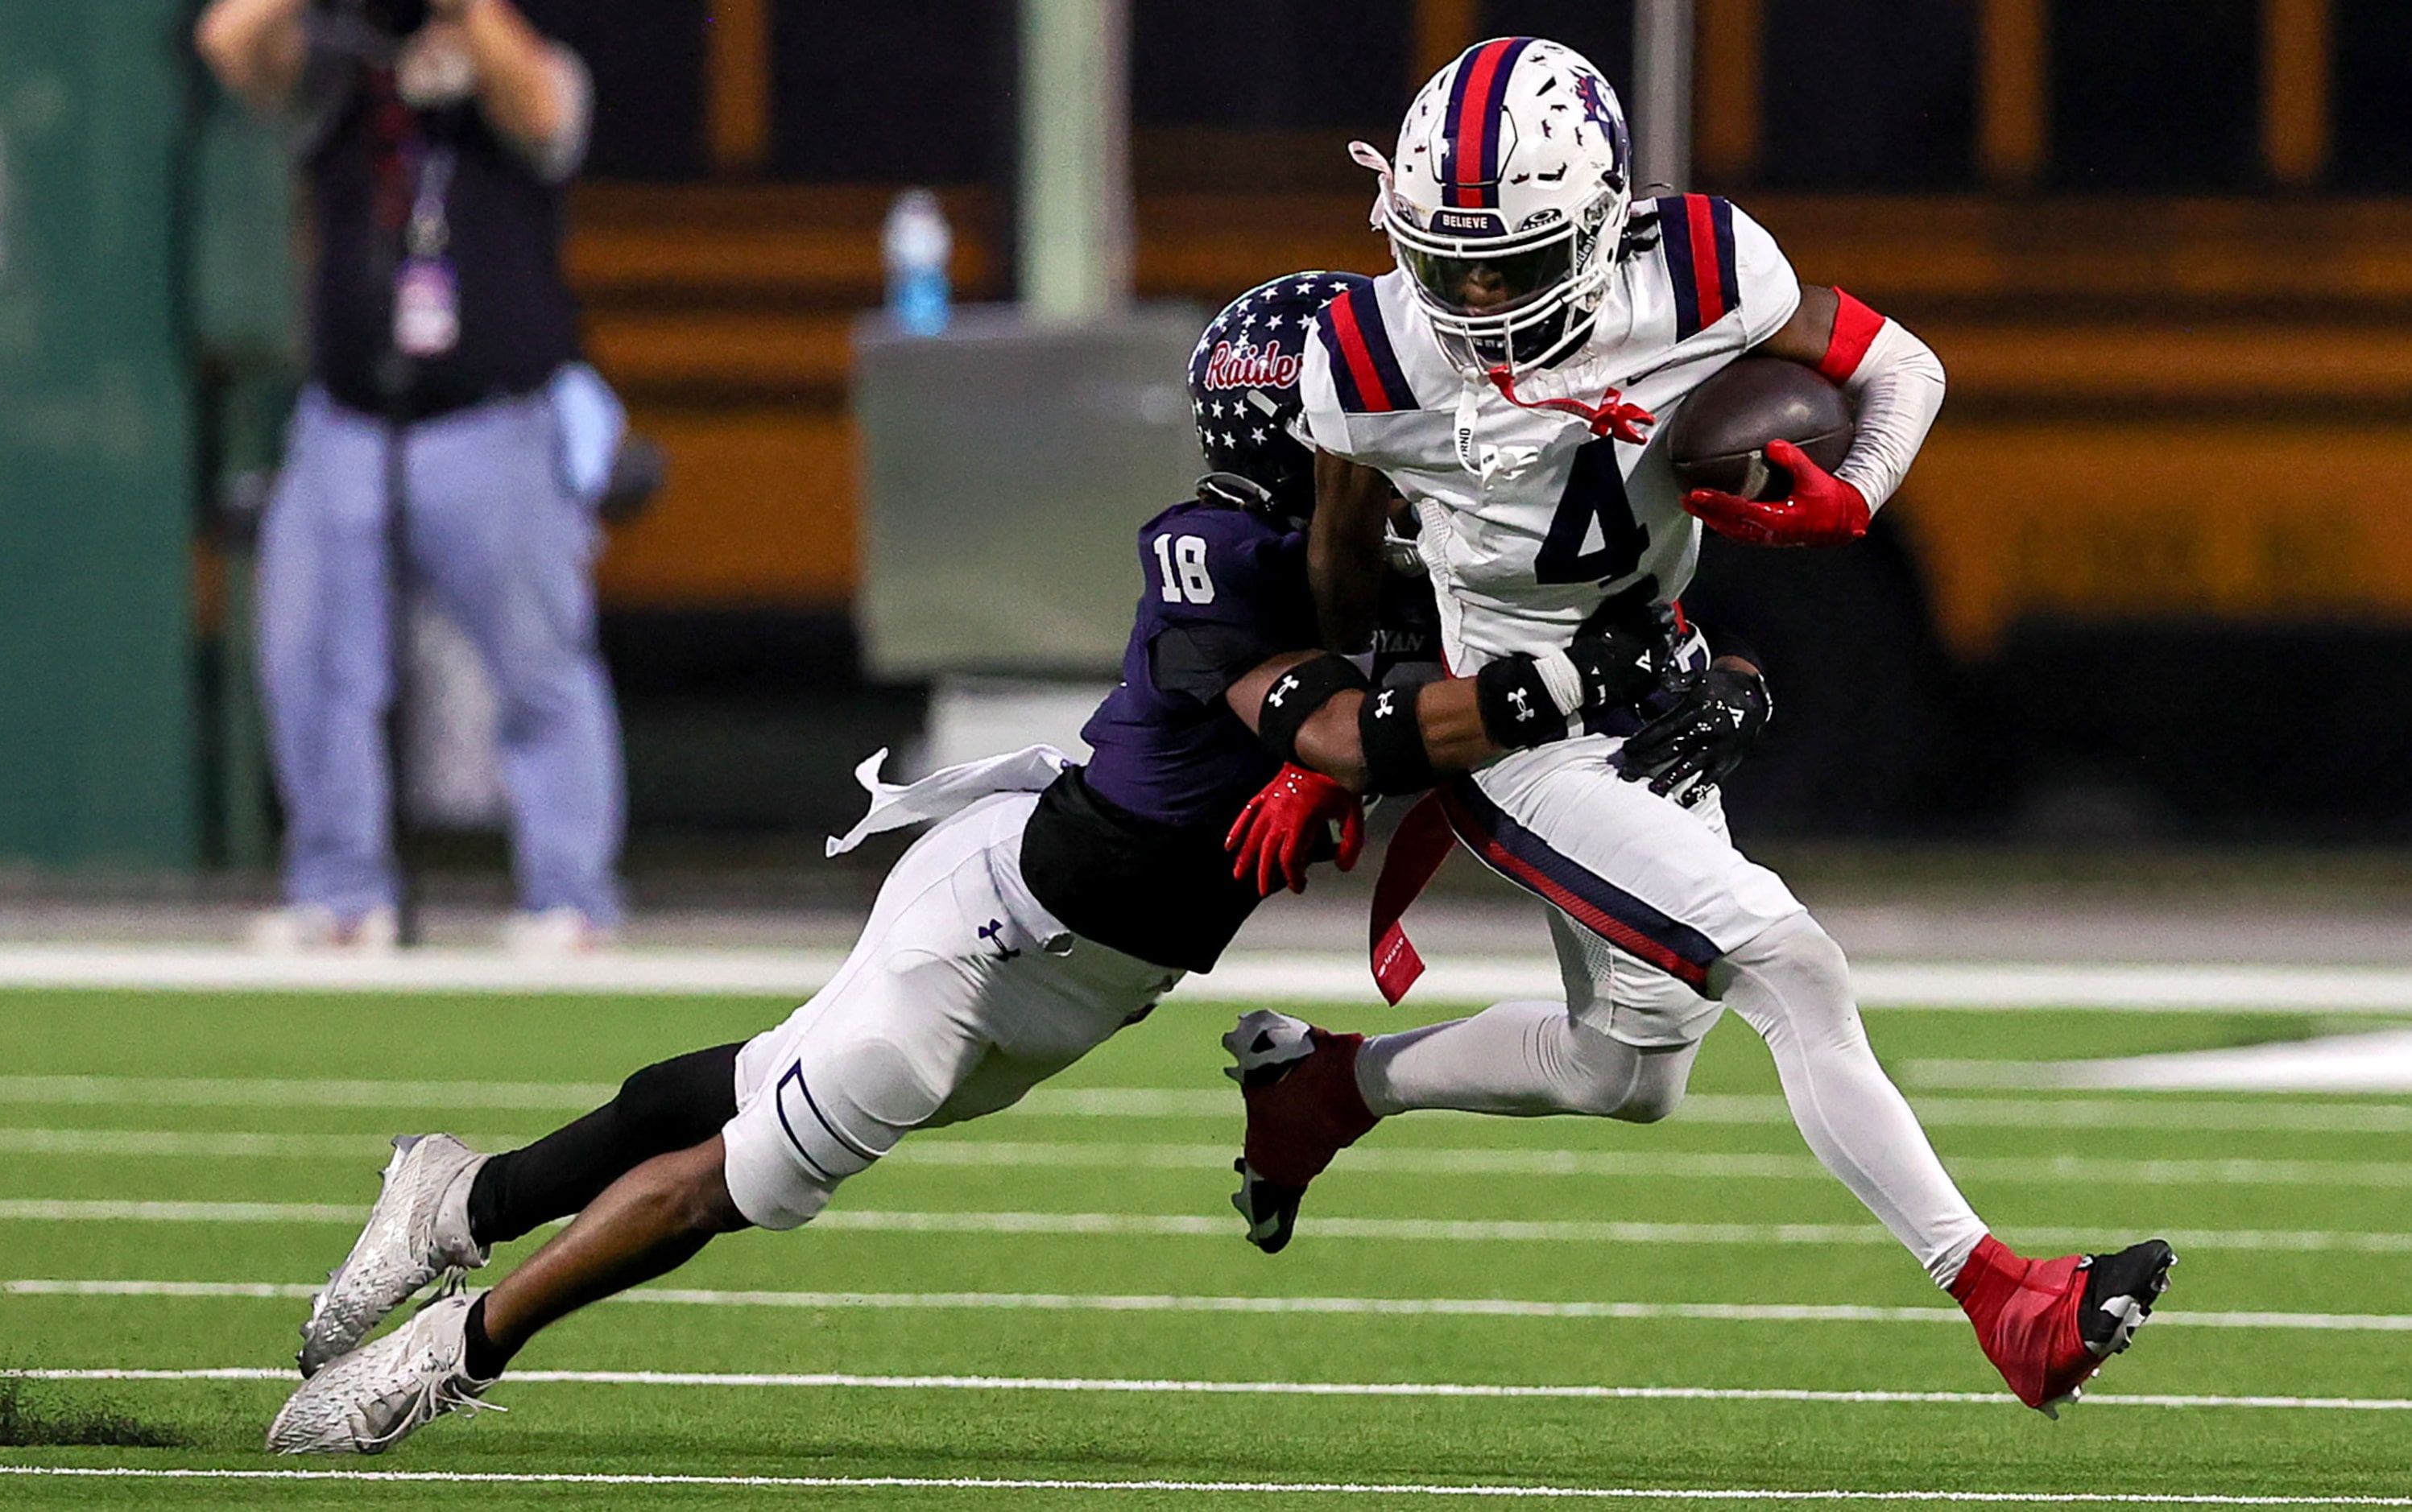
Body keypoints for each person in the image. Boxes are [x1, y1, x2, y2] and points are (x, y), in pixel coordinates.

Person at [260, 272, 1694, 1455]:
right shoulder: (1213, 550)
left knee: (770, 1074)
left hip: (1089, 988)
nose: (1416, 432)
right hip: (995, 926)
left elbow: (1429, 677)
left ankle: (456, 1193)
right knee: (747, 1170)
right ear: (1300, 434)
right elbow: (1339, 723)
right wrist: (1520, 699)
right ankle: (452, 1351)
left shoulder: (1405, 561)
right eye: (1374, 416)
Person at [1227, 37, 2172, 1419]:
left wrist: (1851, 494)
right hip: (1514, 734)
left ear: (1604, 229)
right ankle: (2005, 1298)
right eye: (1450, 264)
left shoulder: (1704, 271)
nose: (1480, 303)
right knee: (1790, 960)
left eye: (1515, 265)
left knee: (1630, 1068)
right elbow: (1341, 554)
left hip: (1658, 692)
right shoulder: (1369, 355)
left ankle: (1323, 1090)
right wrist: (1350, 739)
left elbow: (1900, 363)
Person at [196, 0, 626, 954]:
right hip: (345, 420)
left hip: (494, 421)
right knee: (311, 663)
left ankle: (570, 896)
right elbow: (228, 41)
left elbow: (546, 117)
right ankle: (344, 892)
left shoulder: (533, 54)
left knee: (539, 669)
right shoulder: (336, 70)